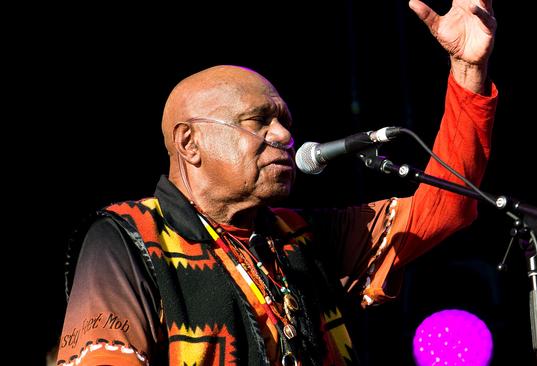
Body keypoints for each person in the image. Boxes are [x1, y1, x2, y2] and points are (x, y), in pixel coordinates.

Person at [56, 0, 498, 365]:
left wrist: (467, 73)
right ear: (189, 143)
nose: (285, 136)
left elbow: (447, 205)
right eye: (259, 122)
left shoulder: (301, 236)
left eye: (284, 121)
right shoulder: (126, 238)